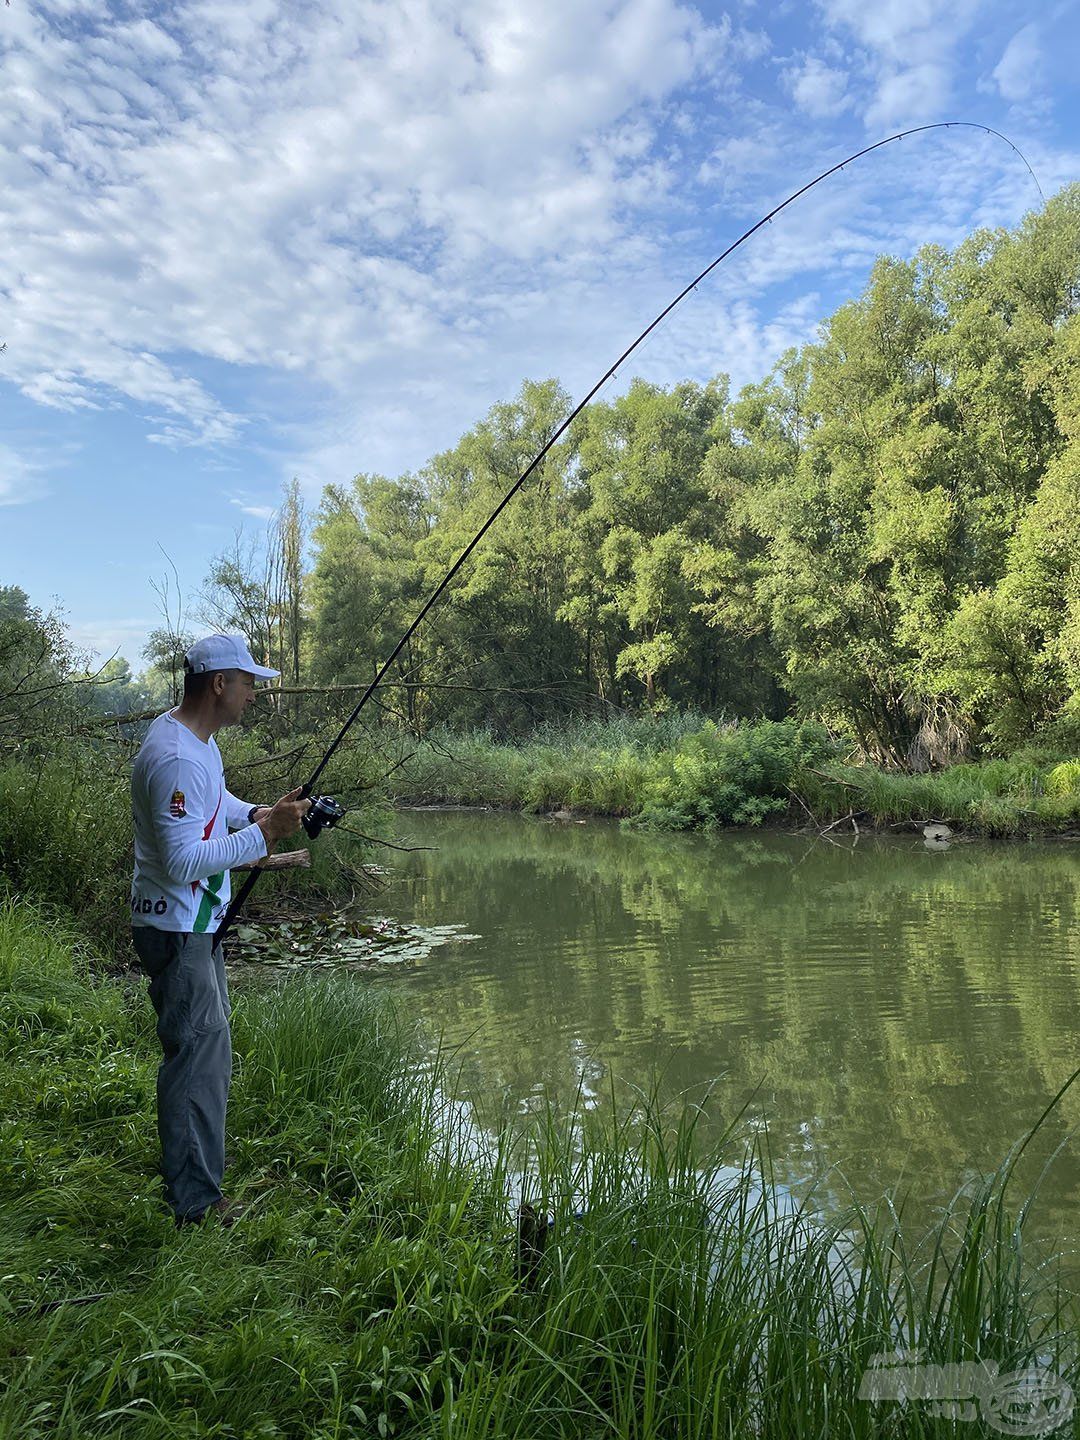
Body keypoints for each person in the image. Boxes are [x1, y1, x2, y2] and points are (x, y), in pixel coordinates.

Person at [130, 634, 310, 1229]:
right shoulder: (178, 757)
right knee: (194, 1061)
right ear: (218, 684)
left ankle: (193, 1182)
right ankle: (195, 1206)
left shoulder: (192, 740)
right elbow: (182, 862)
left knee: (207, 1054)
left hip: (194, 928)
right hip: (179, 931)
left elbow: (215, 803)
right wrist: (267, 837)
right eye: (248, 682)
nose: (253, 693)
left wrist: (255, 813)